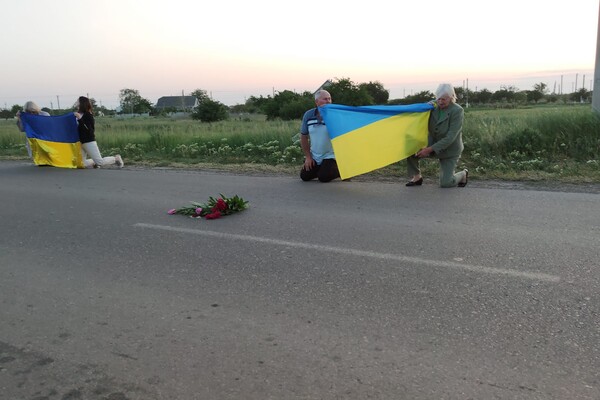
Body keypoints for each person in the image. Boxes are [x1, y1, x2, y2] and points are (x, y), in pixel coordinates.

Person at [405, 83, 468, 188]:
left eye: (444, 99)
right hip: (431, 143)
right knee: (410, 148)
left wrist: (429, 150)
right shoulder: (432, 106)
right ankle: (417, 177)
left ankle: (463, 174)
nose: (440, 102)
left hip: (450, 149)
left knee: (446, 183)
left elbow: (450, 137)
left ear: (452, 97)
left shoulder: (458, 111)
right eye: (438, 99)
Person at [299, 89, 340, 182]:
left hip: (331, 155)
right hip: (315, 156)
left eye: (329, 99)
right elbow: (304, 137)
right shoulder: (308, 115)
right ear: (316, 102)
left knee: (323, 177)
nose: (328, 101)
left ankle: (341, 170)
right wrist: (308, 157)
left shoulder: (335, 115)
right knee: (304, 176)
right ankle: (323, 169)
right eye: (325, 99)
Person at [74, 96, 124, 169]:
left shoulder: (88, 115)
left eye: (78, 101)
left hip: (88, 141)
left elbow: (88, 129)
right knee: (82, 164)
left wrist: (80, 119)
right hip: (80, 141)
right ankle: (94, 162)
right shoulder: (78, 114)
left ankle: (116, 158)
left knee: (100, 162)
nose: (76, 102)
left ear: (82, 103)